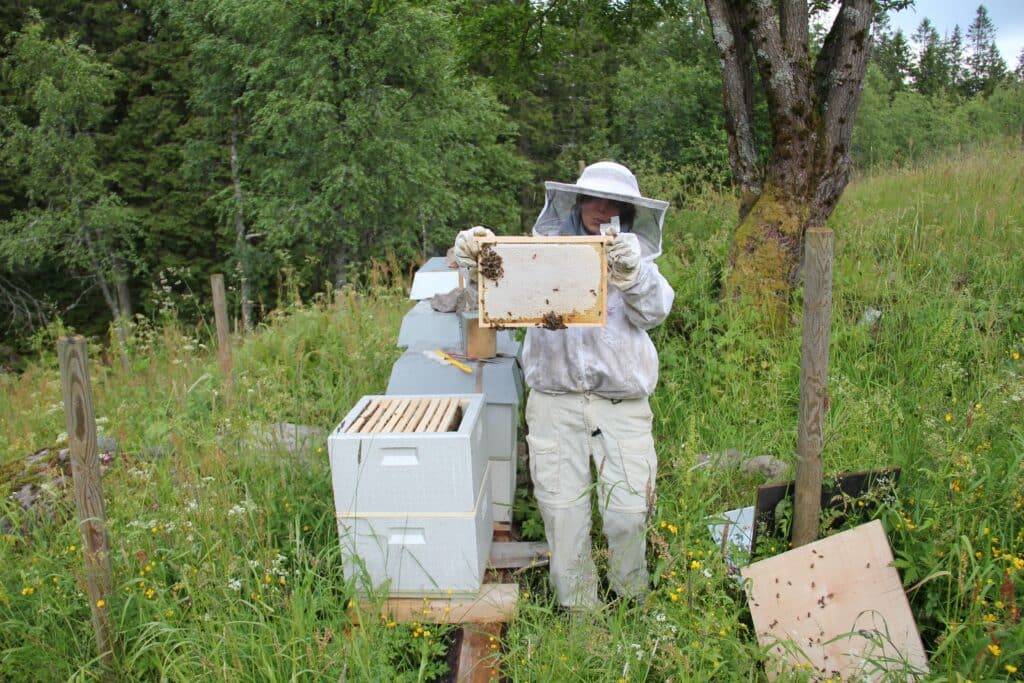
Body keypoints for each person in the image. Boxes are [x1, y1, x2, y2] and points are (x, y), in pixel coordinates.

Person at [454, 161, 674, 609]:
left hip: (622, 405)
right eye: (594, 198)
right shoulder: (542, 253)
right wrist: (476, 263)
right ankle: (581, 616)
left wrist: (632, 277)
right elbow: (494, 295)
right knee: (563, 515)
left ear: (628, 211)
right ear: (576, 202)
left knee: (629, 513)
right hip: (555, 403)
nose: (602, 208)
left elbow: (655, 311)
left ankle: (630, 601)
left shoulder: (636, 260)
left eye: (614, 202)